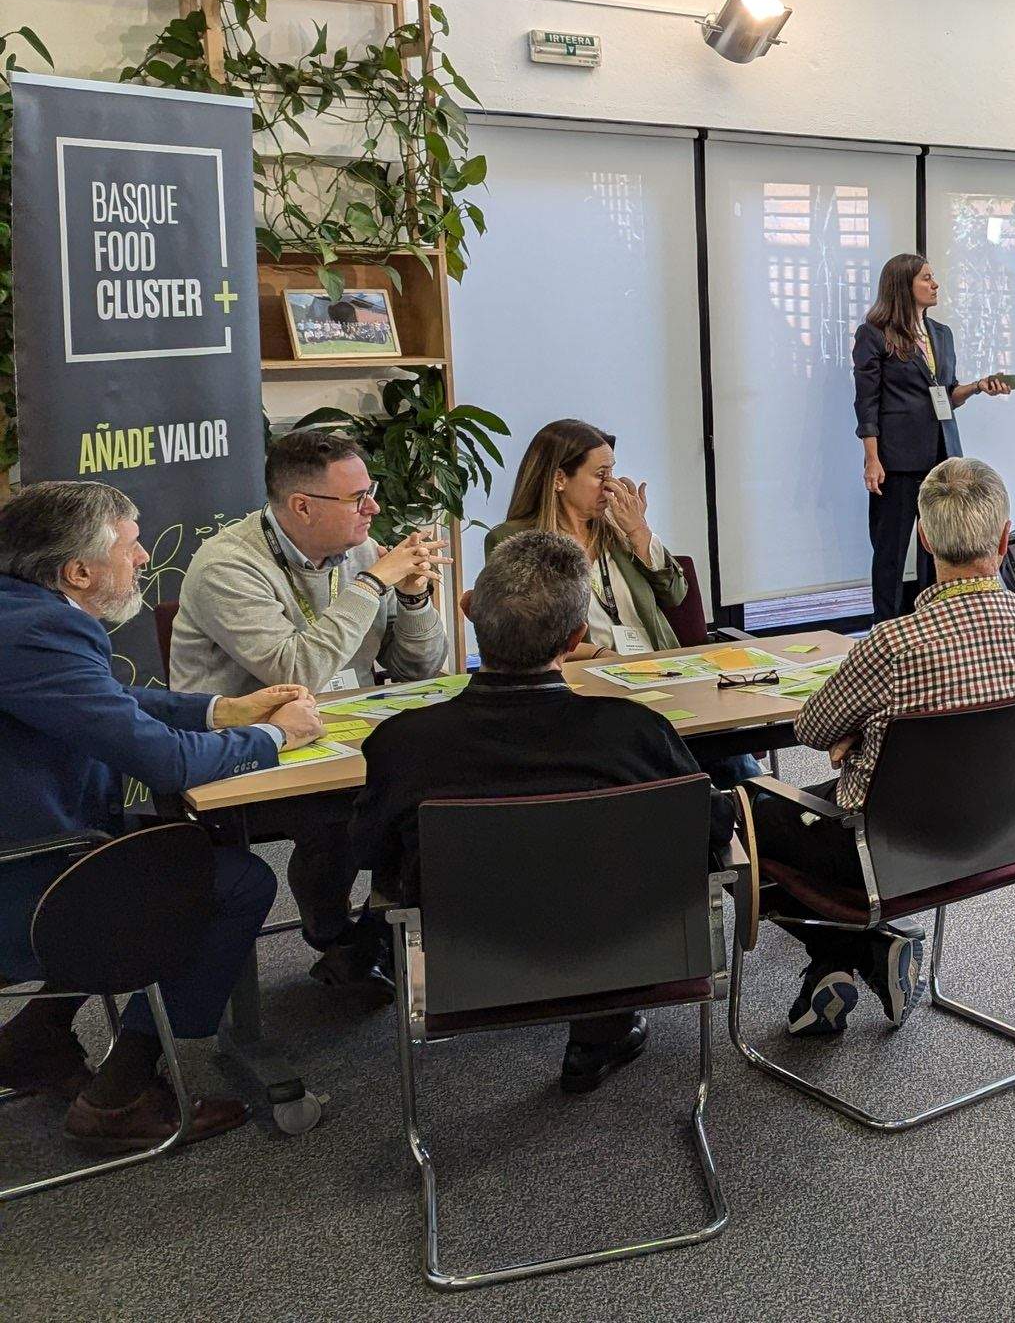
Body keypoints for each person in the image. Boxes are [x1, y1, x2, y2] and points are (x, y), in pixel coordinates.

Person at [0, 481, 322, 1148]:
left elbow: (105, 699)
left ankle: (36, 1037)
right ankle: (118, 1098)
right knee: (235, 881)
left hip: (34, 849)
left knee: (170, 851)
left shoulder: (19, 611)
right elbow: (169, 765)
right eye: (131, 544)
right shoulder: (39, 631)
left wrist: (221, 710)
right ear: (78, 571)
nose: (146, 557)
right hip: (25, 884)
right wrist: (275, 736)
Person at [352, 530, 716, 1094]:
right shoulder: (635, 731)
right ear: (576, 637)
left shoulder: (402, 744)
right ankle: (601, 1032)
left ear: (470, 613)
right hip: (627, 953)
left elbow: (370, 849)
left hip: (466, 964)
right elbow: (709, 829)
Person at [752, 458, 1015, 1035]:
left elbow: (812, 727)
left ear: (923, 537)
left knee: (745, 819)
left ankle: (860, 951)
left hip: (886, 843)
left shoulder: (894, 643)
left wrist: (856, 731)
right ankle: (856, 958)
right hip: (997, 830)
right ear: (1004, 539)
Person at [171, 430, 448, 997]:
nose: (373, 509)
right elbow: (298, 670)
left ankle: (373, 937)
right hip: (245, 755)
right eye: (358, 498)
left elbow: (420, 668)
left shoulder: (361, 551)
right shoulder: (228, 565)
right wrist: (373, 584)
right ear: (302, 506)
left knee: (434, 793)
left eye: (370, 493)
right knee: (343, 815)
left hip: (341, 737)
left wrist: (414, 598)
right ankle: (335, 936)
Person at [853, 253, 1012, 621]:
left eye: (933, 276)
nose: (935, 284)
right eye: (926, 278)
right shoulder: (874, 334)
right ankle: (886, 627)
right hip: (897, 458)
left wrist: (978, 386)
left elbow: (947, 393)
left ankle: (935, 622)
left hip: (943, 457)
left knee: (939, 548)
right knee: (891, 551)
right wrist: (872, 458)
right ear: (902, 285)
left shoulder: (941, 333)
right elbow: (867, 403)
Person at [489, 420, 692, 661]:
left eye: (611, 473)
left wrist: (639, 530)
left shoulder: (620, 528)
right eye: (601, 475)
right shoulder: (514, 541)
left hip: (655, 666)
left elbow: (674, 595)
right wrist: (598, 654)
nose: (611, 486)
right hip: (583, 672)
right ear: (559, 479)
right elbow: (525, 634)